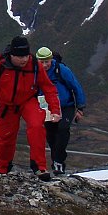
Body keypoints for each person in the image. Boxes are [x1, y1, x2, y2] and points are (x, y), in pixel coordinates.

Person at [0, 35, 61, 180]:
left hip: (28, 101)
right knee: (6, 136)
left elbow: (49, 88)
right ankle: (3, 169)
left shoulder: (34, 64)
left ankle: (39, 167)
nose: (24, 60)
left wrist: (55, 110)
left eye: (26, 56)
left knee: (36, 126)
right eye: (20, 57)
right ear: (12, 55)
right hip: (8, 106)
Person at [36, 46, 86, 176]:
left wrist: (80, 108)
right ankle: (56, 163)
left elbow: (76, 86)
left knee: (63, 129)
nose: (45, 65)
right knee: (51, 135)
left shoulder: (61, 70)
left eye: (47, 61)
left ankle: (59, 161)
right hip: (47, 107)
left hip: (66, 106)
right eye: (42, 62)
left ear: (51, 59)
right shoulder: (35, 72)